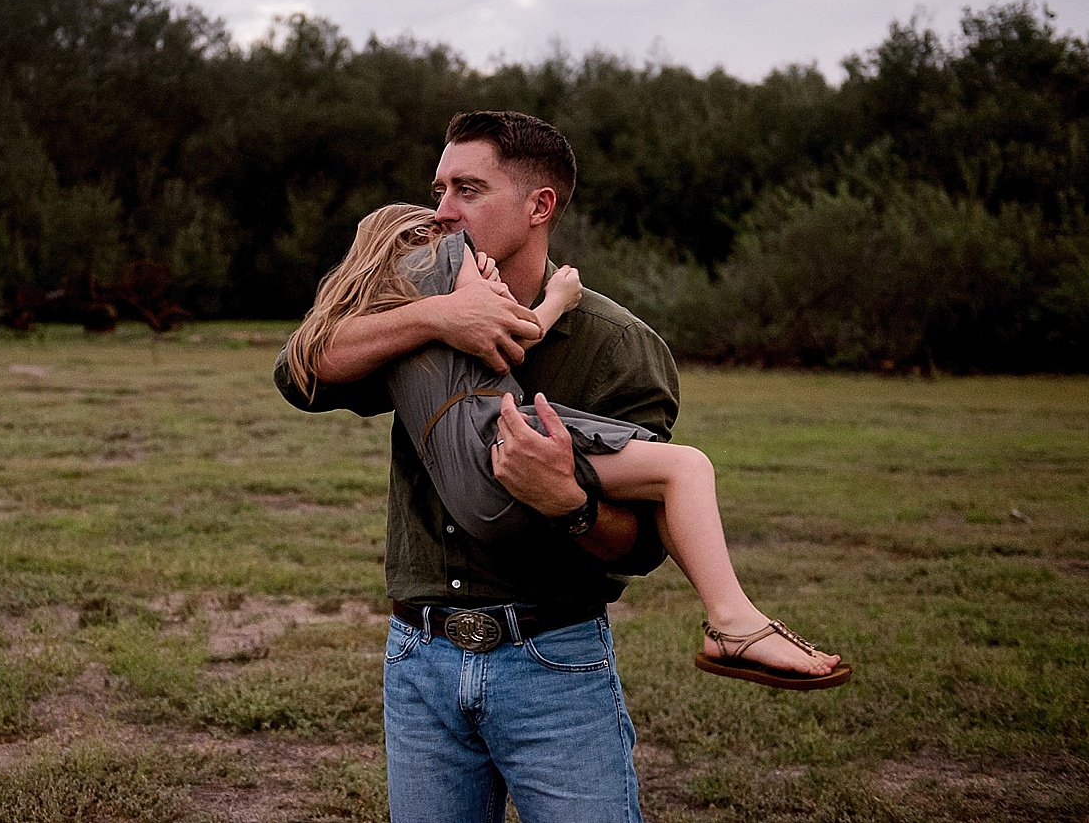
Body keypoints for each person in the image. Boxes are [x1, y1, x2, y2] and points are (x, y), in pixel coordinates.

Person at [267, 110, 695, 822]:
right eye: (438, 188)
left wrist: (571, 503)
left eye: (468, 189)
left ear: (540, 206)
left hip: (553, 664)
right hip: (419, 659)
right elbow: (299, 375)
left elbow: (645, 541)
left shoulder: (618, 346)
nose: (442, 212)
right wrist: (436, 320)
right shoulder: (414, 310)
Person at [283, 203, 850, 693]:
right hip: (498, 441)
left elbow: (305, 361)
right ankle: (733, 623)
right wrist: (557, 295)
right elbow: (517, 335)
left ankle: (735, 623)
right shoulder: (445, 261)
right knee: (684, 469)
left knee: (667, 477)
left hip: (473, 472)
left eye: (465, 191)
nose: (446, 215)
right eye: (437, 207)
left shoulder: (388, 315)